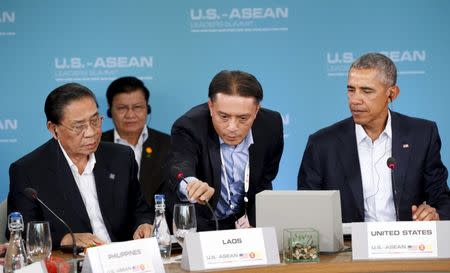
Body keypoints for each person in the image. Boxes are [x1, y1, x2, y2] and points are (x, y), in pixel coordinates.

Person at [298, 52, 450, 222]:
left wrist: (434, 214)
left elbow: (441, 198)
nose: (355, 100)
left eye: (366, 91)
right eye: (351, 90)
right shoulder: (322, 144)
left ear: (391, 93)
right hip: (349, 246)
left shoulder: (422, 135)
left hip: (408, 244)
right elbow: (308, 212)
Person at [7, 83, 153, 249]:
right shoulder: (28, 170)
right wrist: (63, 239)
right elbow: (20, 232)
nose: (91, 132)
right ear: (54, 129)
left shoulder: (121, 157)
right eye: (79, 126)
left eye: (94, 120)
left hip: (124, 258)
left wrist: (143, 225)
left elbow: (140, 210)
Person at [166, 70, 284, 231]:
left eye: (243, 118)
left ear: (256, 110)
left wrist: (255, 222)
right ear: (211, 107)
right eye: (224, 117)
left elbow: (265, 179)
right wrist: (191, 183)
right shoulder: (189, 125)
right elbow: (179, 164)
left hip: (245, 226)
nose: (232, 127)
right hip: (200, 224)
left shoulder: (271, 124)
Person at [102, 76, 170, 206]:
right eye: (122, 108)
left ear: (147, 109)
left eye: (137, 107)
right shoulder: (96, 146)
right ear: (110, 111)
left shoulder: (168, 144)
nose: (130, 115)